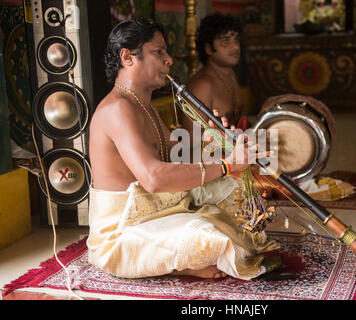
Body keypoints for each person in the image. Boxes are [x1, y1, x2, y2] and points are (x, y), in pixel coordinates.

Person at [86, 18, 279, 281]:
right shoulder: (117, 109)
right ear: (128, 57)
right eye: (158, 52)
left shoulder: (143, 105)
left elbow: (178, 151)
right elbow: (153, 178)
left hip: (159, 213)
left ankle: (181, 253)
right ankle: (180, 264)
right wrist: (225, 165)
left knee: (237, 200)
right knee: (210, 239)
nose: (169, 60)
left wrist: (213, 143)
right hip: (122, 232)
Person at [182, 13, 248, 144]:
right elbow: (190, 143)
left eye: (236, 40)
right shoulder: (202, 85)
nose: (235, 47)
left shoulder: (230, 75)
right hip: (212, 160)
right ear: (208, 48)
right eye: (225, 41)